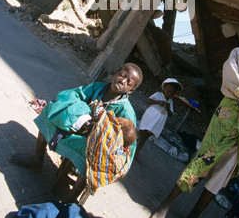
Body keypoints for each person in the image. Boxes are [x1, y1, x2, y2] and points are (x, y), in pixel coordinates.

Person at [150, 27, 239, 218]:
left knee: (224, 171)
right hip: (229, 113)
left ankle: (194, 215)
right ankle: (165, 205)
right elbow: (231, 77)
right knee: (205, 156)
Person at [8, 63, 143, 177]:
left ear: (131, 90)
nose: (122, 81)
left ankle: (72, 197)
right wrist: (82, 118)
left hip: (91, 143)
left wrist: (99, 131)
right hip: (75, 125)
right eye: (122, 75)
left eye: (128, 82)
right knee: (52, 109)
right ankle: (37, 159)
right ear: (116, 73)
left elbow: (126, 143)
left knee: (95, 156)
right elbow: (72, 95)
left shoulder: (126, 112)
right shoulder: (98, 88)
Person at [135, 78, 183, 157]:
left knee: (145, 137)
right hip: (151, 117)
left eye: (172, 94)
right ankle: (131, 148)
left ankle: (136, 152)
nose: (169, 94)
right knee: (141, 133)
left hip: (158, 122)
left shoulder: (170, 102)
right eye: (168, 91)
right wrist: (158, 102)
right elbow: (149, 101)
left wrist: (168, 107)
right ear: (164, 88)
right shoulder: (158, 95)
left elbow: (170, 114)